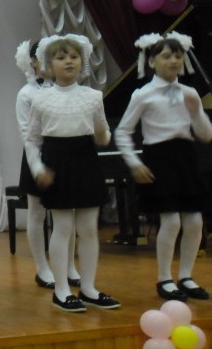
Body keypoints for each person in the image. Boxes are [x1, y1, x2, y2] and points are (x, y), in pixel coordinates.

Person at [115, 32, 212, 301]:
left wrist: (196, 112)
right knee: (170, 221)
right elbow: (122, 132)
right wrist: (134, 162)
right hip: (158, 157)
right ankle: (164, 278)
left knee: (194, 221)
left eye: (178, 56)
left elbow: (206, 135)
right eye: (166, 56)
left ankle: (187, 276)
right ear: (152, 61)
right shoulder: (143, 94)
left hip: (185, 157)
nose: (173, 61)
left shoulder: (189, 93)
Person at [26, 34, 118, 312]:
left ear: (82, 62)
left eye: (74, 57)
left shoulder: (93, 96)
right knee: (63, 227)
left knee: (89, 228)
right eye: (61, 57)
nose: (68, 61)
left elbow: (103, 137)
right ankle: (62, 290)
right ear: (49, 65)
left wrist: (101, 131)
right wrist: (38, 168)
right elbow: (32, 140)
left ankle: (88, 287)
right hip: (56, 159)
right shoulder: (41, 99)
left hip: (86, 159)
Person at [14, 40, 82, 289]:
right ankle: (42, 268)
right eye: (43, 56)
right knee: (37, 212)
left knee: (67, 213)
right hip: (37, 156)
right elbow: (26, 134)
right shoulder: (26, 94)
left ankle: (69, 267)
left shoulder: (65, 89)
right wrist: (38, 166)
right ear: (32, 61)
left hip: (63, 156)